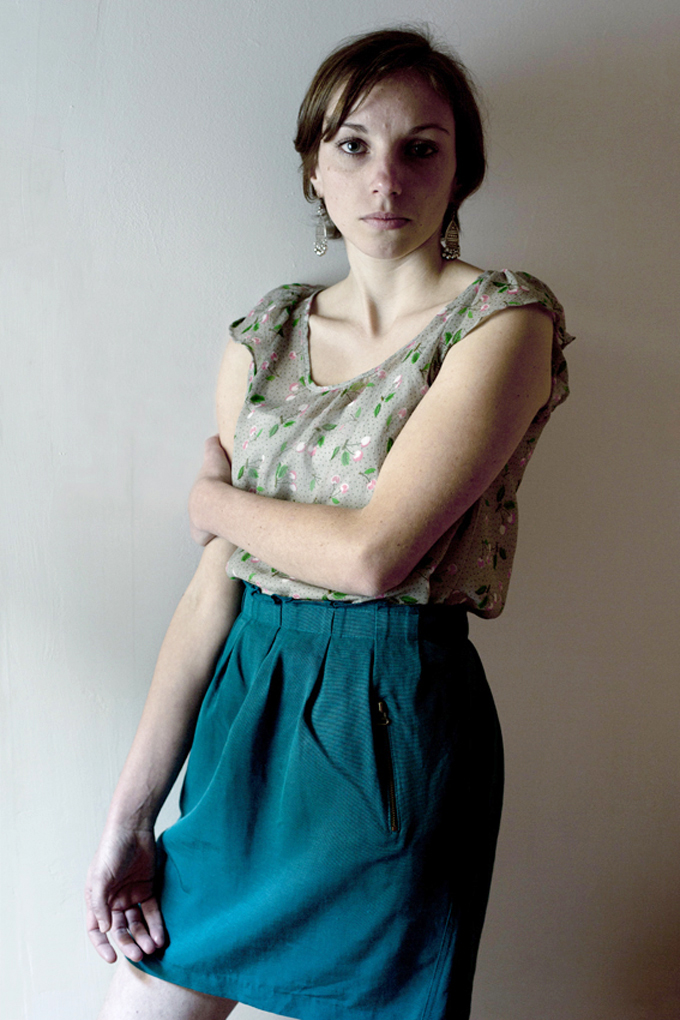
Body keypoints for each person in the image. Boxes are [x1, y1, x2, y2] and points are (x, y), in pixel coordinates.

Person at [86, 27, 573, 1020]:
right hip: (244, 710)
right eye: (352, 145)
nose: (384, 177)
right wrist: (128, 818)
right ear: (313, 164)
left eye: (420, 147)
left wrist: (213, 503)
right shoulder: (265, 334)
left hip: (389, 719)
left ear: (461, 169)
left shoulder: (501, 321)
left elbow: (372, 558)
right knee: (143, 995)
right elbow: (213, 588)